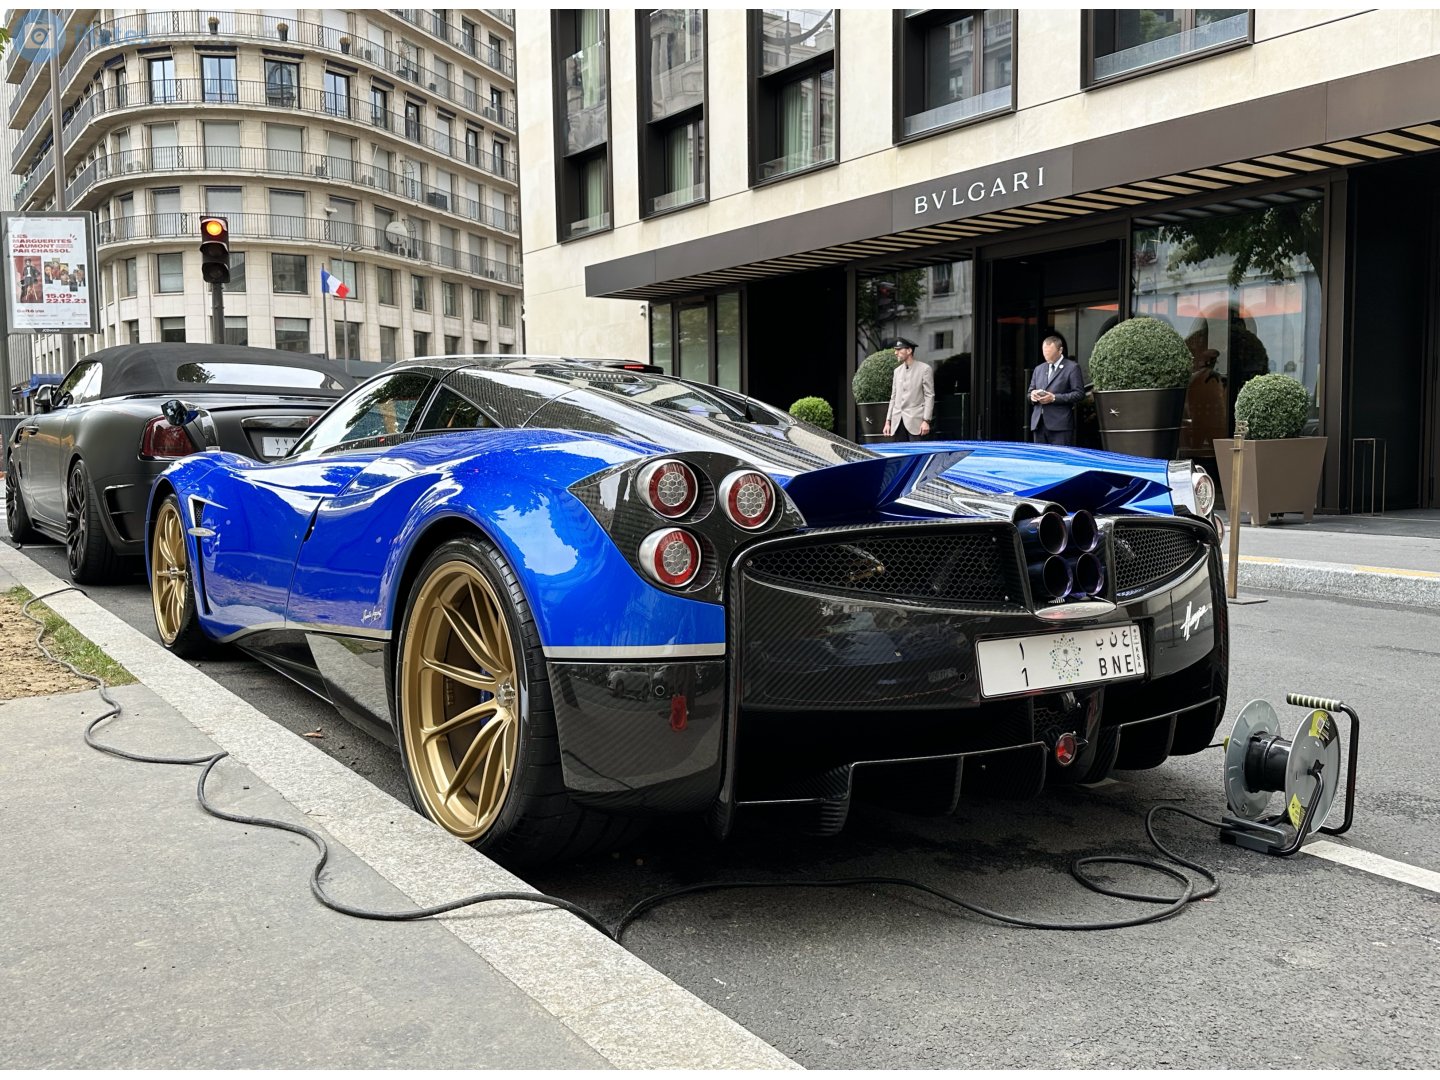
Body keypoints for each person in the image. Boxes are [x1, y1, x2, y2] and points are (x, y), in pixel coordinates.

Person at [1028, 334, 1085, 445]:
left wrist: (1054, 398)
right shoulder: (1039, 369)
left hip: (1060, 425)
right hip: (1038, 424)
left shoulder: (1072, 368)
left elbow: (1079, 394)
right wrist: (1032, 396)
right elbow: (1029, 392)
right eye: (1045, 353)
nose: (1047, 356)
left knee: (1059, 459)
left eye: (1050, 354)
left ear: (1060, 350)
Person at [882, 337, 934, 441]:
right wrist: (888, 422)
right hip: (897, 422)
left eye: (899, 349)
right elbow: (893, 397)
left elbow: (929, 396)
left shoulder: (925, 369)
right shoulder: (897, 371)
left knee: (917, 455)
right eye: (895, 350)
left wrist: (926, 420)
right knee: (900, 455)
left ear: (909, 351)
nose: (896, 353)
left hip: (916, 423)